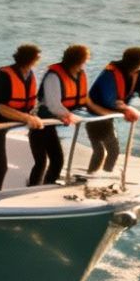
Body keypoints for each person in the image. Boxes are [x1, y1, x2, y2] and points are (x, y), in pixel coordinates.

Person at [84, 46, 140, 175]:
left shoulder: (138, 73)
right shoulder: (110, 73)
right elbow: (109, 99)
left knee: (112, 151)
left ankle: (103, 175)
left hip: (109, 116)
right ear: (132, 62)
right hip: (95, 114)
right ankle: (93, 175)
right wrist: (127, 109)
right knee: (103, 151)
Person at [0, 43, 48, 192]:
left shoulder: (30, 75)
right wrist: (26, 118)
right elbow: (1, 108)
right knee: (1, 166)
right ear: (31, 59)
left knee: (42, 159)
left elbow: (29, 103)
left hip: (18, 121)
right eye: (37, 58)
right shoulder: (3, 76)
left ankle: (33, 189)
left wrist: (32, 117)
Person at [35, 43, 91, 184]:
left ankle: (46, 186)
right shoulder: (53, 76)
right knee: (45, 161)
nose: (85, 63)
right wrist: (70, 116)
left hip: (59, 122)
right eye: (84, 60)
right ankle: (35, 188)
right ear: (78, 60)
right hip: (43, 123)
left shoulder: (79, 74)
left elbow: (84, 100)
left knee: (56, 160)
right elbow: (53, 105)